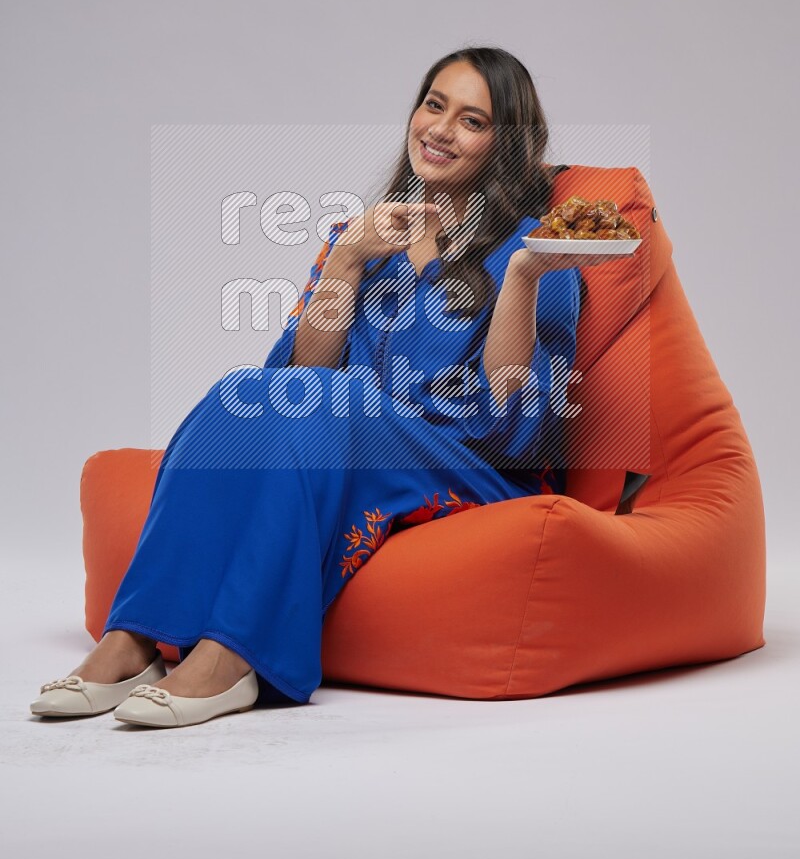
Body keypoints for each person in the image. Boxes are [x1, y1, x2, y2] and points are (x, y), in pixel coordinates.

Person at [30, 45, 607, 728]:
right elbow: (296, 383)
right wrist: (346, 260)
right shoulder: (362, 235)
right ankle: (133, 638)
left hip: (475, 466)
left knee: (339, 401)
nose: (441, 129)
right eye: (434, 104)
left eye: (472, 120)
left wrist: (519, 280)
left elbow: (509, 422)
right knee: (238, 391)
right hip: (351, 440)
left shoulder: (537, 252)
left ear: (504, 144)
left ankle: (234, 655)